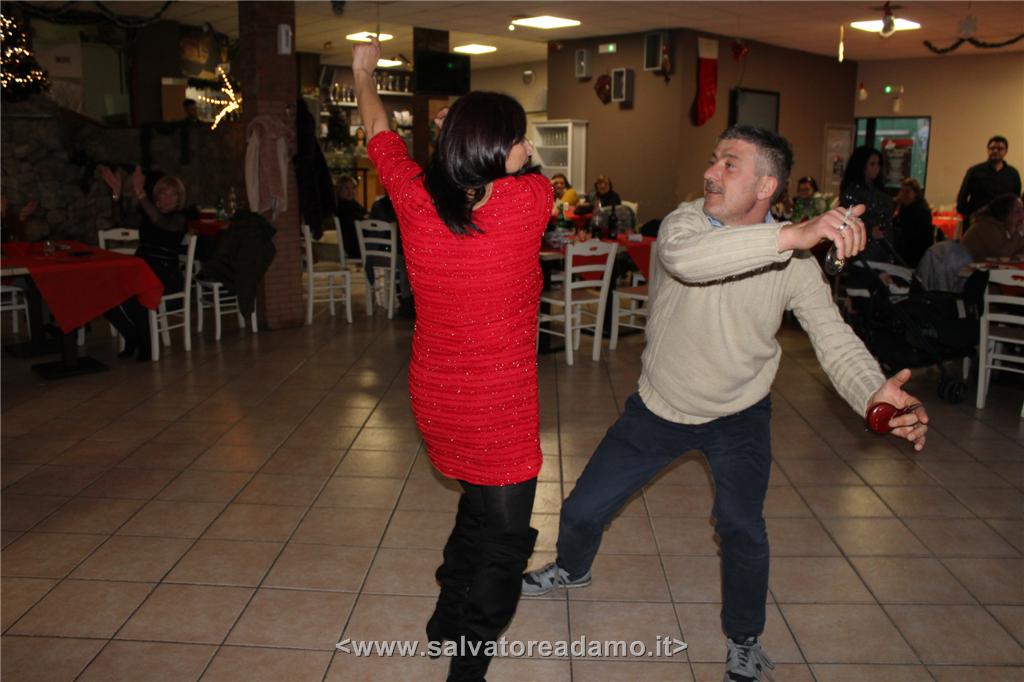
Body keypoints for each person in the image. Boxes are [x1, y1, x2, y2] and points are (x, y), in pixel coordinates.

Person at [522, 125, 929, 682]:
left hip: (740, 415)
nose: (711, 172)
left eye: (729, 164)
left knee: (742, 529)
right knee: (580, 512)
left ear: (766, 186)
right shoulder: (684, 223)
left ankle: (744, 639)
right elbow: (691, 261)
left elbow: (834, 338)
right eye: (714, 160)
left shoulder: (796, 264)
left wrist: (873, 392)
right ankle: (572, 568)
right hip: (660, 406)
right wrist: (791, 236)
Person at [354, 38, 552, 682]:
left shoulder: (414, 200)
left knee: (477, 506)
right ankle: (468, 662)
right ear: (500, 149)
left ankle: (445, 618)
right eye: (518, 138)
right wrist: (465, 131)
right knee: (505, 542)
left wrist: (362, 74)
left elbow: (379, 132)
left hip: (437, 399)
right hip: (499, 406)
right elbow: (525, 170)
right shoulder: (530, 202)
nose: (527, 147)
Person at [98, 165, 187, 361]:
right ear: (157, 196)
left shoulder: (178, 219)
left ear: (179, 199)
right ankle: (131, 336)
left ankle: (146, 344)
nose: (167, 198)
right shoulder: (148, 214)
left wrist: (139, 192)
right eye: (163, 193)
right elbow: (119, 220)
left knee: (136, 291)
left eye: (172, 195)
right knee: (104, 292)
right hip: (143, 270)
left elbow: (159, 222)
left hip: (166, 275)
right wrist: (116, 195)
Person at [840, 145, 895, 262]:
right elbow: (848, 220)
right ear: (862, 165)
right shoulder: (853, 191)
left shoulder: (878, 189)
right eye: (872, 164)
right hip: (864, 251)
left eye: (878, 164)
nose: (876, 168)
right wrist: (869, 231)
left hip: (883, 246)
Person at [957, 136, 1021, 231]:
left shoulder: (1013, 174)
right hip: (977, 223)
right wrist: (968, 216)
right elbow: (962, 197)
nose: (995, 151)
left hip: (1003, 224)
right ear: (988, 150)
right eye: (992, 148)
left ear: (1006, 152)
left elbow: (1016, 198)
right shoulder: (974, 171)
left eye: (1000, 149)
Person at [961, 193, 1024, 261]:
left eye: (1023, 210)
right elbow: (1002, 254)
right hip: (966, 266)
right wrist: (1019, 233)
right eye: (1017, 211)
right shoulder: (987, 225)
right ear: (1005, 213)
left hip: (983, 265)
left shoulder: (1005, 225)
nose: (1022, 215)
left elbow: (1017, 251)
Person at [892, 178, 934, 268]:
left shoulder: (921, 211)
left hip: (915, 254)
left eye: (907, 192)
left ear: (916, 194)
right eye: (902, 191)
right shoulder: (903, 209)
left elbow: (914, 235)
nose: (903, 195)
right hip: (904, 253)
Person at [333, 174, 367, 259]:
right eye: (346, 188)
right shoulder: (341, 207)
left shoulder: (354, 204)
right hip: (354, 245)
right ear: (339, 190)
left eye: (353, 188)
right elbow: (356, 221)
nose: (350, 191)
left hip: (361, 242)